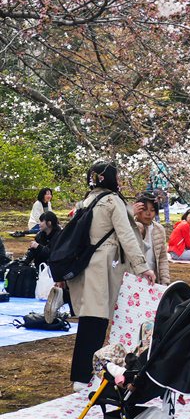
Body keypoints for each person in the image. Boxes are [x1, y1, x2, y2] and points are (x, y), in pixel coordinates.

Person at [67, 161, 155, 391]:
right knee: (97, 320)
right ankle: (85, 375)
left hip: (86, 263)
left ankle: (80, 375)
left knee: (89, 320)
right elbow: (126, 234)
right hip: (103, 265)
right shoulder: (112, 201)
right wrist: (142, 266)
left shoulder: (85, 201)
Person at [134, 192, 170, 285]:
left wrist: (165, 280)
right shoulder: (131, 227)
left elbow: (162, 257)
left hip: (152, 280)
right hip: (133, 278)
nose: (148, 213)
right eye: (144, 209)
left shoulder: (159, 229)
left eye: (152, 210)